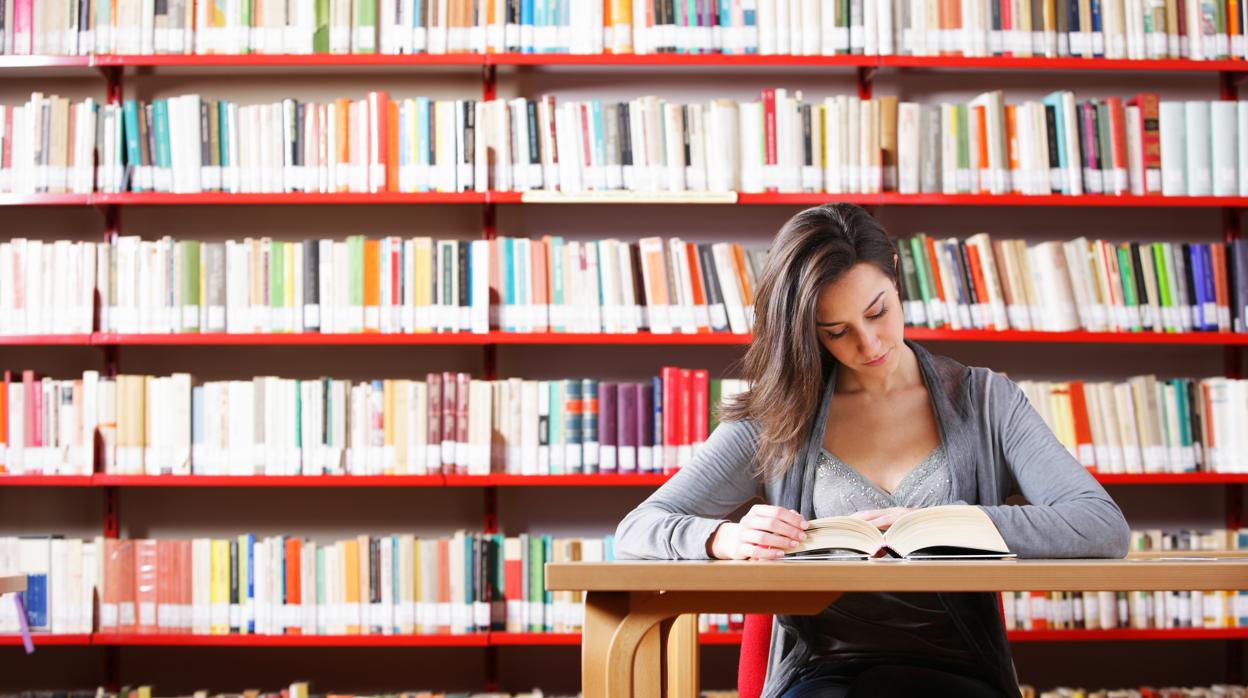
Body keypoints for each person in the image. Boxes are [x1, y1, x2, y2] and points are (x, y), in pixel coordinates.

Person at [613, 203, 1131, 698]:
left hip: (959, 671)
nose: (870, 344)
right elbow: (636, 529)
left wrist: (958, 525)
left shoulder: (987, 400)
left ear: (896, 279)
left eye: (877, 312)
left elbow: (1101, 525)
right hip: (822, 672)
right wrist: (722, 538)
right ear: (808, 335)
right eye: (837, 332)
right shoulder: (778, 419)